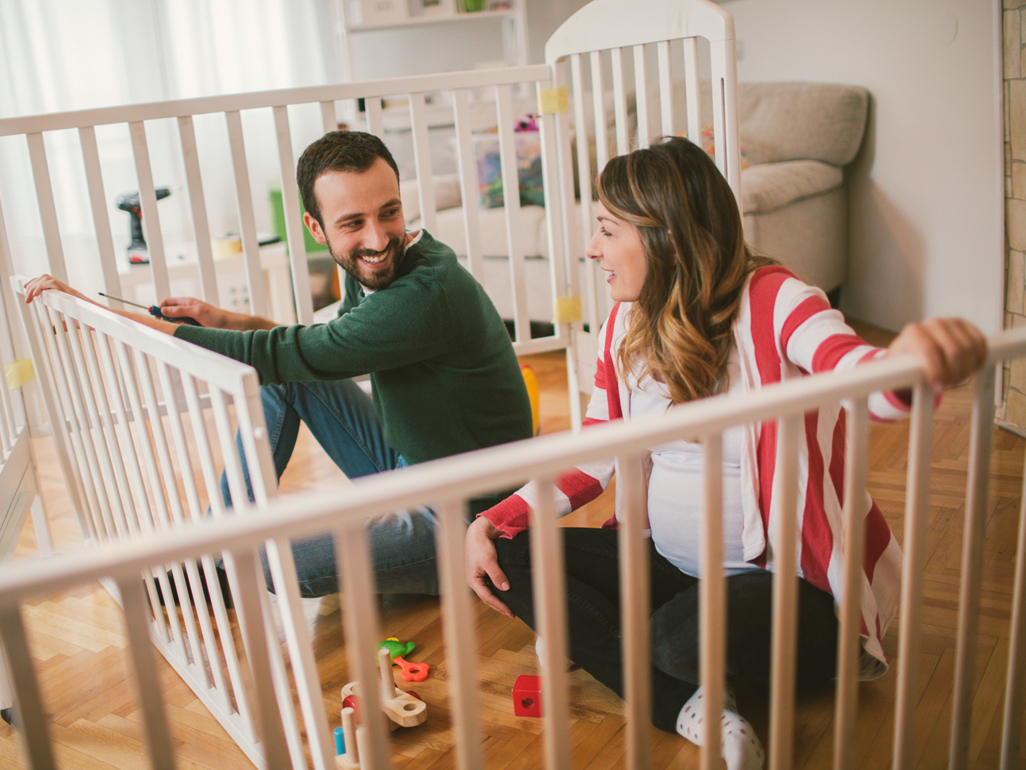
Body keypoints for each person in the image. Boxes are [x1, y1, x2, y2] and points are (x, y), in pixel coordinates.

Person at [463, 136, 987, 769]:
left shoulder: (774, 299)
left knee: (676, 640)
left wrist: (908, 362)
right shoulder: (624, 324)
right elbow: (591, 456)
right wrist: (495, 519)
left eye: (606, 229)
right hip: (673, 569)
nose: (592, 248)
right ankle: (695, 707)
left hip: (788, 590)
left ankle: (629, 646)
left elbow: (855, 372)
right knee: (510, 556)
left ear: (669, 239)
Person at [25, 130, 534, 597]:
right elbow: (312, 347)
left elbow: (284, 353)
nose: (378, 239)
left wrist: (103, 315)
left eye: (390, 212)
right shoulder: (378, 267)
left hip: (466, 519)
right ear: (317, 228)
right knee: (287, 382)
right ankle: (216, 553)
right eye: (353, 223)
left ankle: (227, 559)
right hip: (409, 466)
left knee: (265, 560)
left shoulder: (420, 292)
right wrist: (223, 319)